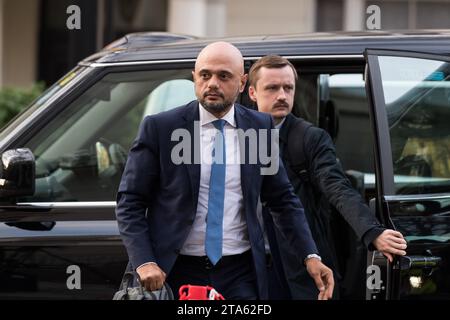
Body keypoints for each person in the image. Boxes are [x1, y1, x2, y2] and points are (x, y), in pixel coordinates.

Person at [115, 42, 334, 300]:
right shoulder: (161, 128)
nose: (212, 83)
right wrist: (144, 262)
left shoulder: (259, 128)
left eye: (223, 76)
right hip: (175, 271)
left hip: (239, 272)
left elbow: (282, 199)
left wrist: (310, 255)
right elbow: (130, 201)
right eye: (205, 75)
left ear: (242, 83)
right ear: (194, 78)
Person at [248, 55, 407, 299]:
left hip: (300, 267)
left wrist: (372, 232)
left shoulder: (310, 138)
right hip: (247, 267)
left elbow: (336, 187)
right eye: (272, 88)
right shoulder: (236, 135)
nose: (281, 95)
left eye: (288, 88)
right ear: (252, 93)